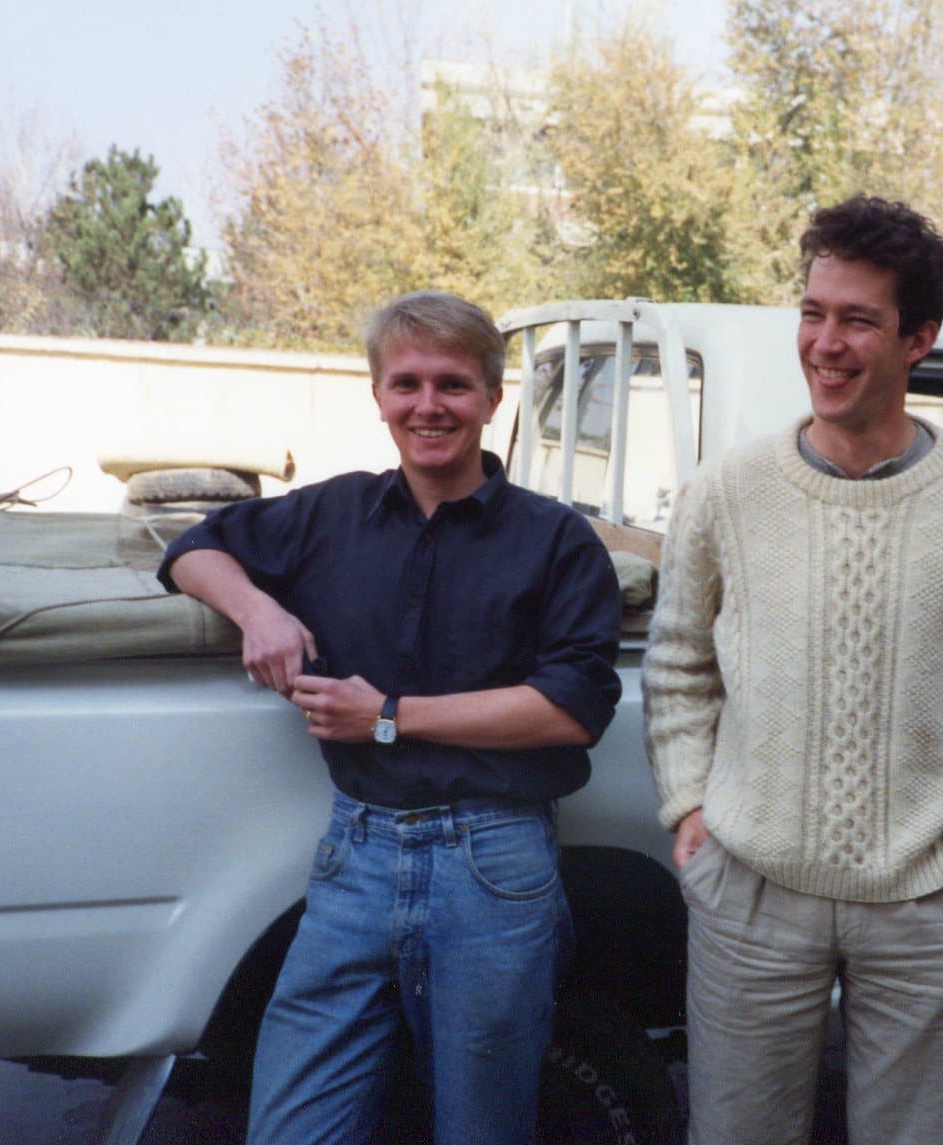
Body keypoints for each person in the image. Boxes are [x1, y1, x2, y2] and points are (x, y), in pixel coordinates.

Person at [644, 195, 943, 1144]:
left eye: (858, 320)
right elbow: (679, 665)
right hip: (748, 891)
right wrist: (690, 808)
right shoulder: (726, 492)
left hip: (927, 903)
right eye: (813, 312)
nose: (825, 344)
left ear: (920, 337)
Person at [159, 291, 624, 1143]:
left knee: (482, 1127)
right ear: (378, 396)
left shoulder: (557, 540)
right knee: (292, 1123)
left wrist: (389, 717)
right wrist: (258, 610)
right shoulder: (330, 513)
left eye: (452, 384)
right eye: (405, 383)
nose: (428, 405)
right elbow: (194, 546)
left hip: (495, 860)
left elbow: (572, 708)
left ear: (491, 397)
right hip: (356, 855)